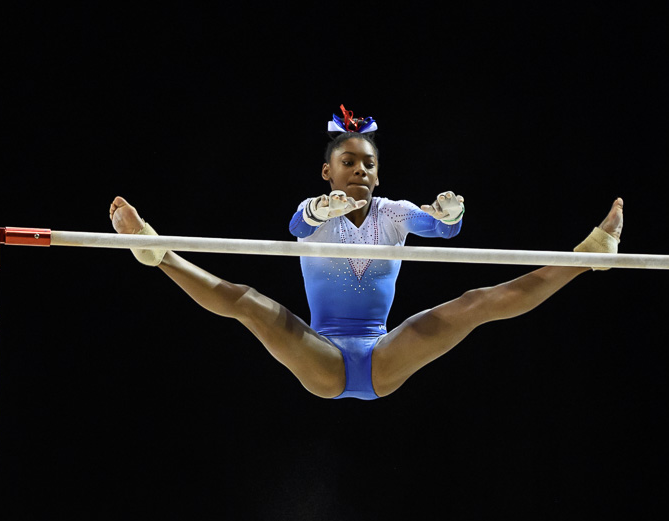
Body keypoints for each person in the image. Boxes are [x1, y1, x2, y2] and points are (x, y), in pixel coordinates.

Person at [107, 112, 623, 401]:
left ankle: (588, 255)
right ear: (327, 171)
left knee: (477, 301)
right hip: (323, 356)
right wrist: (318, 209)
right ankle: (158, 253)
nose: (359, 171)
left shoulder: (396, 213)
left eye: (368, 165)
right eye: (347, 162)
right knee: (247, 301)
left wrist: (448, 213)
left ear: (378, 173)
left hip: (382, 355)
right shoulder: (316, 212)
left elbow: (443, 232)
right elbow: (295, 225)